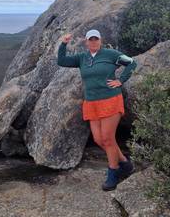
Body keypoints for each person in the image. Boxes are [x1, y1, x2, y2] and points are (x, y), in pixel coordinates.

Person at [57, 29, 137, 191]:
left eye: (96, 39)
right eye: (90, 40)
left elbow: (132, 62)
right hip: (92, 103)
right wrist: (63, 44)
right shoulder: (82, 58)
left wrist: (121, 80)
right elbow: (62, 61)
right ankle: (126, 165)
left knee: (108, 138)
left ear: (100, 40)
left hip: (110, 100)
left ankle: (113, 173)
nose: (93, 42)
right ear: (86, 42)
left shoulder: (111, 54)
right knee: (100, 140)